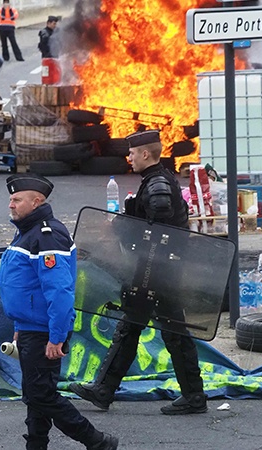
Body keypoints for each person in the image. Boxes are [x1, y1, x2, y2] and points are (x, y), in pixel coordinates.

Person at [68, 129, 208, 415]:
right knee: (132, 327)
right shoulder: (158, 179)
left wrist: (123, 226)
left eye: (132, 153)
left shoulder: (157, 183)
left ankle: (194, 397)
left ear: (145, 153)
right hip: (155, 269)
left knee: (172, 333)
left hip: (158, 271)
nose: (129, 158)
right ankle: (104, 390)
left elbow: (159, 226)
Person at [0, 173, 119, 450]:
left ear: (36, 201)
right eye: (11, 200)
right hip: (32, 329)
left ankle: (97, 442)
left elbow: (60, 291)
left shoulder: (47, 236)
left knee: (41, 395)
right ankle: (36, 445)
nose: (11, 205)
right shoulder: (29, 232)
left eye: (16, 200)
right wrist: (20, 324)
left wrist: (56, 336)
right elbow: (29, 288)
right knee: (36, 394)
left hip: (44, 333)